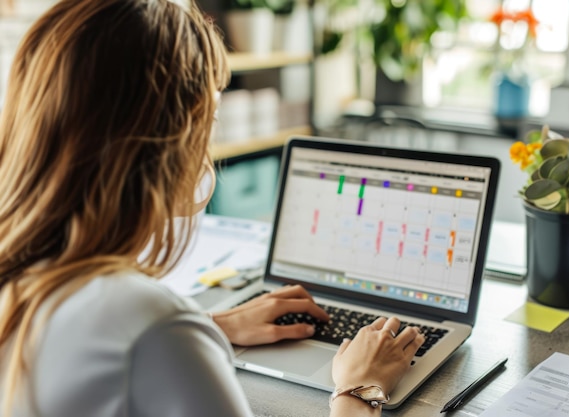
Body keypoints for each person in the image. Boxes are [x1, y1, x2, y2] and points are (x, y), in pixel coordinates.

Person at [0, 1, 425, 416]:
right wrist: (358, 390)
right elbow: (138, 345)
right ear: (175, 140)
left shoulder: (23, 280)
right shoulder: (152, 327)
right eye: (211, 116)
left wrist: (210, 325)